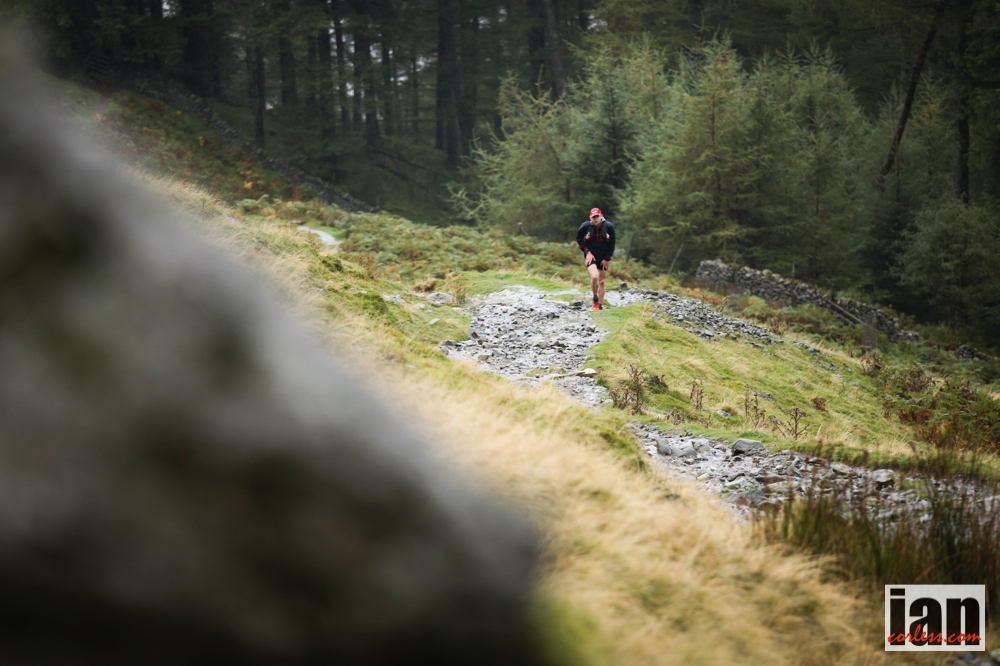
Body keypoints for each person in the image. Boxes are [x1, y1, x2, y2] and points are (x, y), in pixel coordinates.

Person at [576, 207, 616, 310]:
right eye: (593, 217)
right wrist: (586, 251)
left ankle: (600, 305)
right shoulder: (585, 226)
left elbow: (612, 244)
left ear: (601, 216)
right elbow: (579, 238)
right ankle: (595, 299)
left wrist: (607, 258)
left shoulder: (608, 226)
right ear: (590, 217)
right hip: (591, 255)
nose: (596, 219)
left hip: (603, 256)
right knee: (594, 277)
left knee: (602, 281)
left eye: (597, 216)